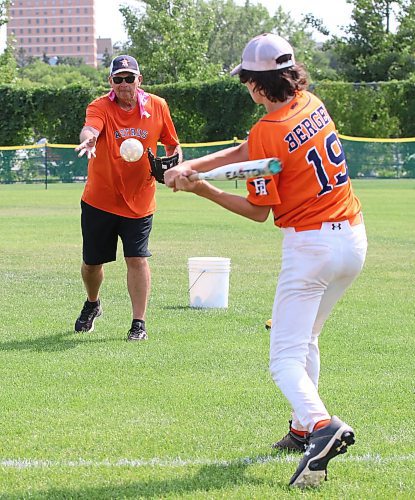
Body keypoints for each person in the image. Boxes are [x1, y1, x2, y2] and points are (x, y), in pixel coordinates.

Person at [165, 33, 367, 488]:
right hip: (352, 240)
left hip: (310, 249)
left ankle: (321, 426)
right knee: (307, 337)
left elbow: (258, 211)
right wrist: (193, 167)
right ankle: (301, 428)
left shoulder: (267, 131)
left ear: (257, 85)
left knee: (283, 360)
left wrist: (205, 189)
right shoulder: (311, 103)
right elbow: (249, 154)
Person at [74, 54, 182, 341]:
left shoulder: (157, 106)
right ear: (111, 81)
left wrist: (172, 165)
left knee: (137, 259)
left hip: (140, 199)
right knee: (92, 264)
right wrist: (89, 138)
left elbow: (173, 145)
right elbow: (91, 127)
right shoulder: (100, 106)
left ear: (139, 80)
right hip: (101, 199)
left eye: (129, 78)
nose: (124, 84)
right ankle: (93, 303)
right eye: (118, 79)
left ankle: (138, 323)